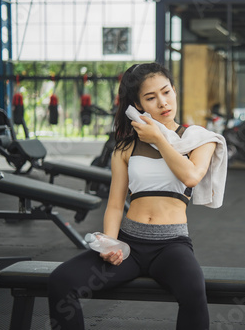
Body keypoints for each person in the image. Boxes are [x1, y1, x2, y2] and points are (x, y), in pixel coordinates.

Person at [48, 62, 227, 330]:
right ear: (138, 105)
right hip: (129, 245)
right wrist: (110, 244)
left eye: (166, 92)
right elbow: (115, 204)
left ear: (175, 91)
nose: (163, 103)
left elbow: (190, 177)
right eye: (151, 98)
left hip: (171, 245)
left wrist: (159, 139)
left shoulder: (199, 138)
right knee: (61, 281)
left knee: (193, 291)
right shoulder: (125, 147)